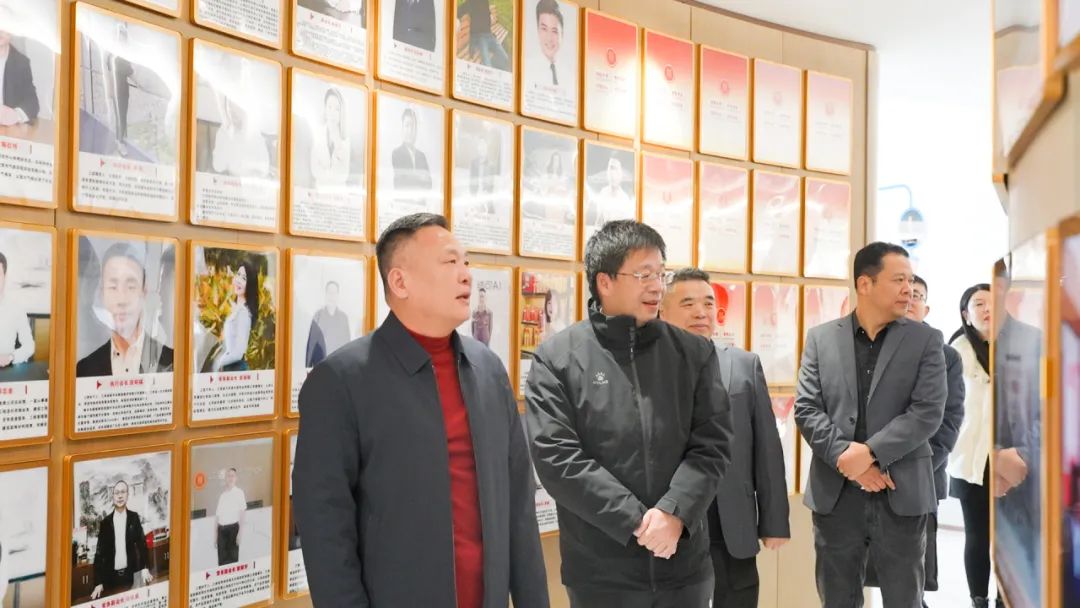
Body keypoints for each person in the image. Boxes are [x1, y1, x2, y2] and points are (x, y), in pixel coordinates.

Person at [293, 213, 548, 607]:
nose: (466, 275)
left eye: (466, 262)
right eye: (450, 262)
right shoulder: (340, 381)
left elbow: (518, 507)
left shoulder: (488, 370)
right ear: (400, 282)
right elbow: (324, 528)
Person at [525, 220, 733, 607]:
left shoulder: (694, 353)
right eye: (643, 274)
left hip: (683, 566)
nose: (656, 286)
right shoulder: (557, 359)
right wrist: (637, 521)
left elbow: (713, 444)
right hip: (601, 572)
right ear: (604, 282)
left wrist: (673, 513)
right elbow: (557, 459)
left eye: (660, 273)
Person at [794, 241, 947, 607]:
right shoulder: (821, 338)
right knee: (837, 598)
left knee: (904, 599)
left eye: (911, 280)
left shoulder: (926, 340)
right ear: (865, 284)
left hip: (901, 491)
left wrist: (870, 454)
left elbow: (927, 411)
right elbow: (807, 408)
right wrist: (846, 458)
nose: (908, 289)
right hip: (836, 495)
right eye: (898, 280)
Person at [658, 267, 790, 608]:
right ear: (662, 311)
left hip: (732, 516)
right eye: (688, 303)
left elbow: (767, 448)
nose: (701, 312)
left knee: (738, 595)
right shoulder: (649, 369)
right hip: (672, 515)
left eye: (708, 303)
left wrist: (774, 521)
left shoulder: (743, 365)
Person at [865, 274, 966, 606]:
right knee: (866, 570)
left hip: (921, 477)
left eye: (917, 296)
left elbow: (948, 420)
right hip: (869, 474)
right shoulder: (871, 347)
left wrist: (911, 464)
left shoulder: (946, 355)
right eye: (902, 294)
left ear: (926, 308)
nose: (909, 301)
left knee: (911, 577)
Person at [945, 283, 1003, 608]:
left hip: (1009, 456)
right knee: (977, 533)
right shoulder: (956, 350)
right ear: (966, 314)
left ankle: (1005, 598)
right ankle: (978, 599)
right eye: (978, 303)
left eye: (993, 302)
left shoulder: (1018, 347)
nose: (987, 309)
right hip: (970, 457)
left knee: (1008, 537)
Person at [76, 243, 173, 377]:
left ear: (144, 292)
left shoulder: (172, 363)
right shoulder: (84, 369)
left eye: (131, 287)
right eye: (113, 287)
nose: (122, 300)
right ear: (102, 294)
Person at [90, 480, 152, 600]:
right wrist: (98, 582)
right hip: (110, 578)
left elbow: (142, 544)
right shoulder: (105, 523)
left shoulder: (134, 518)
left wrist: (145, 567)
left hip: (130, 576)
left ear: (127, 495)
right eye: (117, 493)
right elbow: (99, 554)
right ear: (113, 496)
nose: (120, 496)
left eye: (123, 492)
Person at [211, 87, 271, 178]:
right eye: (229, 109)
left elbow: (263, 169)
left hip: (249, 183)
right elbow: (218, 166)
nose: (232, 113)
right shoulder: (224, 131)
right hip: (230, 183)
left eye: (236, 109)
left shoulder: (254, 133)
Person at [211, 260, 258, 372]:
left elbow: (238, 353)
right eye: (238, 274)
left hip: (235, 369)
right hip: (230, 367)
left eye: (244, 278)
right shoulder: (235, 308)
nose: (239, 280)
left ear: (250, 285)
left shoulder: (243, 313)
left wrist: (217, 363)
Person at [310, 88, 350, 189]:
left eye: (337, 109)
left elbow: (344, 175)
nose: (332, 113)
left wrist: (326, 174)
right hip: (321, 190)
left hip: (339, 193)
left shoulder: (345, 139)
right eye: (329, 107)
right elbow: (314, 169)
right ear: (325, 108)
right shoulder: (317, 134)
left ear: (341, 113)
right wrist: (331, 175)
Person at [305, 281, 352, 368]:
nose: (331, 296)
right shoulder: (318, 316)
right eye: (329, 293)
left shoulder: (343, 318)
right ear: (326, 295)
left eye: (334, 293)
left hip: (338, 365)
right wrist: (308, 366)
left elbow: (347, 344)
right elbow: (311, 344)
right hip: (320, 365)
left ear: (337, 295)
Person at [0, 251, 34, 368]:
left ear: (5, 277)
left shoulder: (16, 308)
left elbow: (29, 346)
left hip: (4, 370)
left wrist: (11, 357)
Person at [104, 22, 133, 157]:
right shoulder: (117, 56)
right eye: (122, 36)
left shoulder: (114, 55)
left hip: (121, 90)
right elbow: (129, 70)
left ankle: (121, 139)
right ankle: (120, 141)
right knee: (121, 116)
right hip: (120, 90)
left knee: (121, 115)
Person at [0, 28, 39, 127]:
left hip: (7, 129)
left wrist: (16, 115)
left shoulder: (21, 62)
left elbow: (33, 102)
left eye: (4, 26)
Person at [457, 0, 509, 70]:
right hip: (481, 38)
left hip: (490, 36)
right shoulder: (470, 3)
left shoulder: (483, 2)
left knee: (505, 58)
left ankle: (496, 71)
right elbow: (457, 12)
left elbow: (487, 16)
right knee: (487, 65)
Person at [391, 107, 433, 194]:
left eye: (413, 126)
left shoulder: (422, 156)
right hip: (404, 201)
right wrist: (420, 179)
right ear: (402, 128)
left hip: (421, 202)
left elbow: (429, 184)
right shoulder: (396, 153)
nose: (410, 130)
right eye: (407, 126)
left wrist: (412, 179)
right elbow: (401, 184)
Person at [214, 468, 246, 566]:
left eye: (233, 476)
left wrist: (240, 533)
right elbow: (217, 517)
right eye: (228, 476)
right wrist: (215, 536)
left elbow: (242, 514)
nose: (230, 478)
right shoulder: (222, 495)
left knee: (233, 561)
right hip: (221, 531)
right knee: (222, 562)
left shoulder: (239, 492)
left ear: (236, 478)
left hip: (233, 530)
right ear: (226, 479)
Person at [588, 155, 632, 227]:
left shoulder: (624, 199)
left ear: (621, 174)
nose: (613, 174)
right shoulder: (603, 193)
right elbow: (598, 221)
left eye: (616, 170)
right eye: (611, 169)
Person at [533, 0, 564, 87]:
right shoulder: (528, 70)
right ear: (538, 30)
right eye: (544, 29)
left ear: (562, 34)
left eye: (554, 31)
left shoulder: (569, 76)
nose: (549, 38)